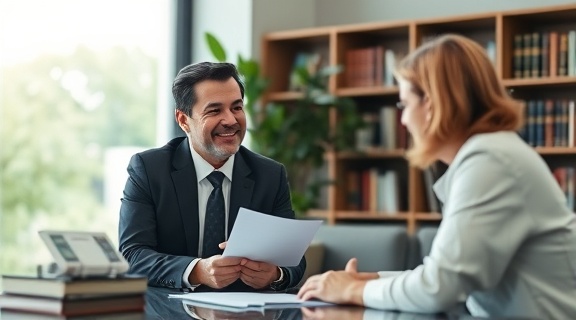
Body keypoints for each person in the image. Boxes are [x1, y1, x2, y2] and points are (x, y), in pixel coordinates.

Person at [297, 34, 576, 318]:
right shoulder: (492, 154)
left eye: (404, 105)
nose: (403, 120)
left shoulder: (490, 161)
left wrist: (352, 291)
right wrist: (369, 281)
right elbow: (448, 276)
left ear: (431, 103)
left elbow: (441, 287)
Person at [119, 61, 305, 292]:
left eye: (237, 107)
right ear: (183, 120)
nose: (230, 120)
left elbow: (293, 258)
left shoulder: (270, 174)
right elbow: (133, 255)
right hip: (170, 311)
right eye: (215, 110)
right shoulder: (149, 169)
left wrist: (276, 274)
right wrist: (197, 271)